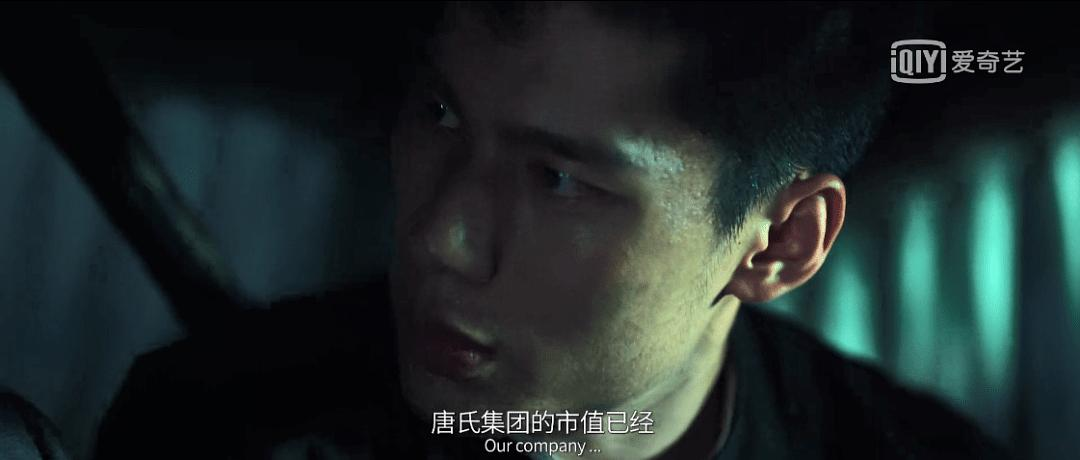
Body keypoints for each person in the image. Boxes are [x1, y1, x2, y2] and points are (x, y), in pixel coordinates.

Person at [94, 2, 1013, 459]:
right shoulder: (209, 425)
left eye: (559, 180)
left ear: (780, 243)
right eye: (440, 113)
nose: (440, 236)